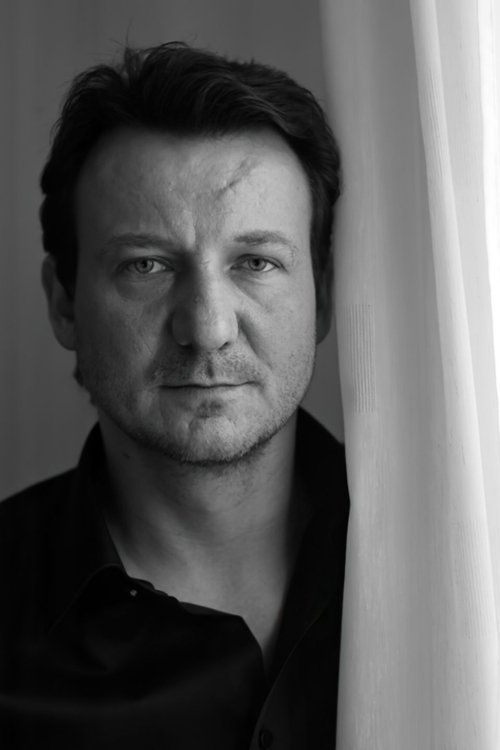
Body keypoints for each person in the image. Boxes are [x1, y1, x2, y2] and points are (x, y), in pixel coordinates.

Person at [0, 42, 349, 749]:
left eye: (256, 262)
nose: (208, 329)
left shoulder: (461, 562)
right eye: (147, 266)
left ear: (322, 298)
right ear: (63, 303)